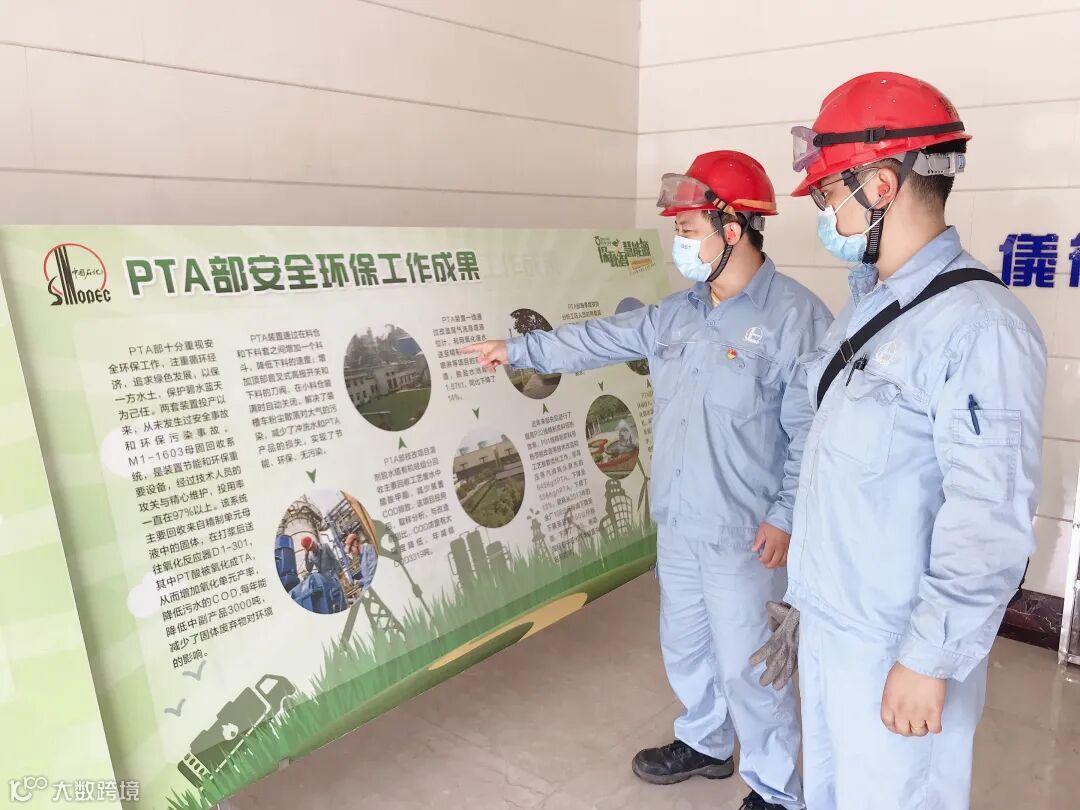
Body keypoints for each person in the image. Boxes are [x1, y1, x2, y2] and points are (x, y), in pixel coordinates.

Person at [462, 151, 832, 810]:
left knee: (750, 665)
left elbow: (812, 432)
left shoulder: (795, 318)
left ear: (732, 230)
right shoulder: (678, 313)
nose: (678, 243)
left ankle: (776, 789)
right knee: (686, 646)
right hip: (679, 520)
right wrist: (518, 350)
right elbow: (600, 339)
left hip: (746, 533)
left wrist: (785, 516)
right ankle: (706, 744)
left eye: (687, 230)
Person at [758, 72, 1046, 810]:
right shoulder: (866, 310)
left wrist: (929, 659)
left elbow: (988, 515)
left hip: (897, 644)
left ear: (880, 186)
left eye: (829, 194)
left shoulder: (979, 327)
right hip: (835, 628)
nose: (826, 213)